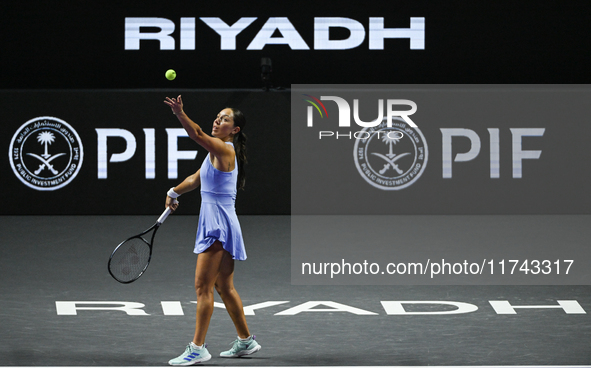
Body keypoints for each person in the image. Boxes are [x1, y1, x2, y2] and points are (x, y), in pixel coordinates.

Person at [163, 95, 261, 365]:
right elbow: (197, 178)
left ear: (235, 130)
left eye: (225, 119)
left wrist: (180, 113)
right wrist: (173, 191)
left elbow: (195, 133)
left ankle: (197, 347)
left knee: (202, 287)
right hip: (224, 222)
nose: (218, 120)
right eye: (218, 116)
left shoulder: (224, 149)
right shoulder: (217, 153)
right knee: (224, 287)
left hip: (216, 225)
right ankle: (246, 341)